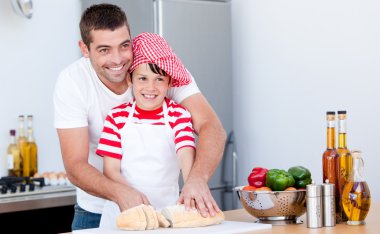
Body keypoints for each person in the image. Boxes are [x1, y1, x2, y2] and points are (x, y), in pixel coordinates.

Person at [53, 3, 226, 230]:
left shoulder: (158, 67)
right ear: (85, 49)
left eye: (124, 45)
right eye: (104, 49)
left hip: (168, 211)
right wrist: (120, 192)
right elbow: (75, 165)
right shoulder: (73, 82)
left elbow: (211, 126)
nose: (117, 60)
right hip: (97, 211)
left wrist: (196, 179)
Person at [96, 32, 196, 228]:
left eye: (159, 79)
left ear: (169, 82)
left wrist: (192, 189)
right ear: (130, 80)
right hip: (123, 211)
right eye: (142, 78)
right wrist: (134, 198)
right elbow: (110, 171)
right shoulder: (116, 117)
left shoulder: (179, 115)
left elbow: (186, 157)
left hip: (167, 212)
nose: (150, 87)